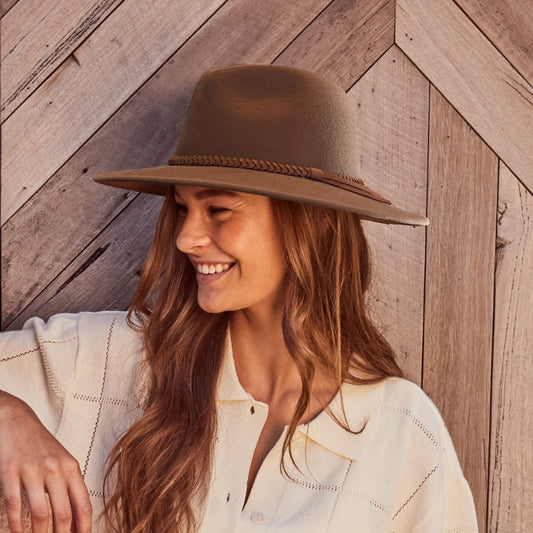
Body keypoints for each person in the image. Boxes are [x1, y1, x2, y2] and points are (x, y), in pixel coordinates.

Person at [0, 64, 477, 533]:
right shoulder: (102, 359)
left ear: (317, 221)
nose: (186, 238)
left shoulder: (402, 430)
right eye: (183, 209)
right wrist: (7, 416)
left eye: (219, 209)